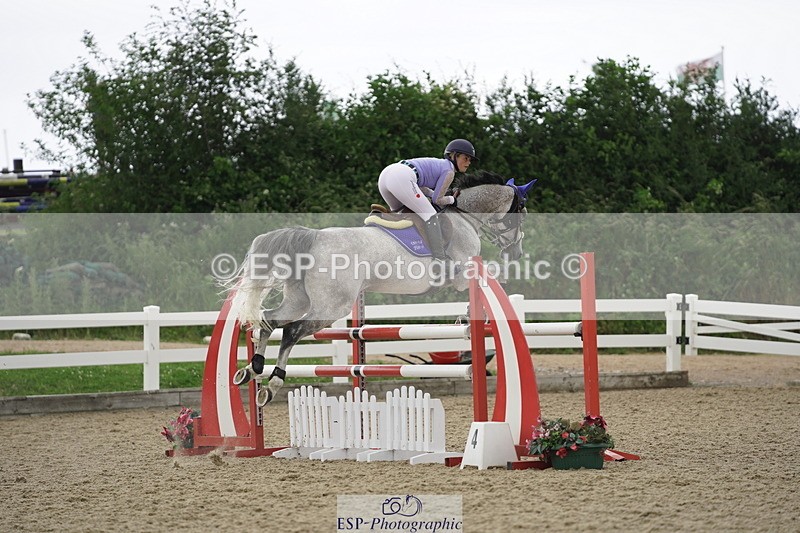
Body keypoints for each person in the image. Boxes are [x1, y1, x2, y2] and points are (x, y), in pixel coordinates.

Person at [377, 139, 477, 260]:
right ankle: (440, 259)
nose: (468, 162)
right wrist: (452, 200)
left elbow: (421, 188)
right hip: (402, 177)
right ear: (454, 156)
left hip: (386, 175)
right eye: (465, 158)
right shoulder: (449, 171)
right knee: (431, 215)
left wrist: (432, 194)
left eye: (470, 160)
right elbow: (437, 200)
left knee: (400, 213)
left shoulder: (439, 164)